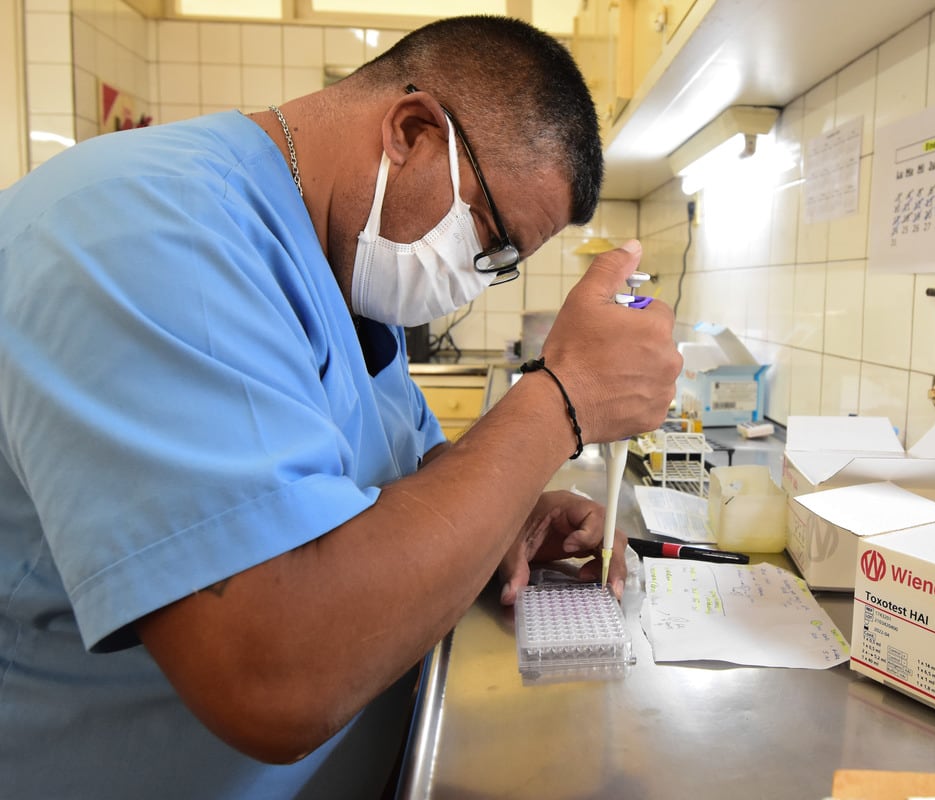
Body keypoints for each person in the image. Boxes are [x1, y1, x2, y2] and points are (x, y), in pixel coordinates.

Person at [0, 14, 681, 799]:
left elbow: (414, 480)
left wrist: (507, 513)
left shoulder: (338, 275)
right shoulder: (140, 229)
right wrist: (562, 399)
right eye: (488, 238)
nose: (475, 274)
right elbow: (278, 677)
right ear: (411, 131)